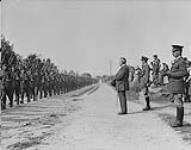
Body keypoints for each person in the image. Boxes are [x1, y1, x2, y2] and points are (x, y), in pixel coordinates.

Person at [164, 45, 188, 127]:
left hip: (178, 84)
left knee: (179, 103)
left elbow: (183, 73)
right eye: (172, 51)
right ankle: (178, 120)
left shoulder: (181, 61)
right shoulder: (176, 61)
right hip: (175, 84)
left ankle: (179, 121)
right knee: (177, 103)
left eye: (174, 51)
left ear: (179, 51)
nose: (172, 53)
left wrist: (170, 73)